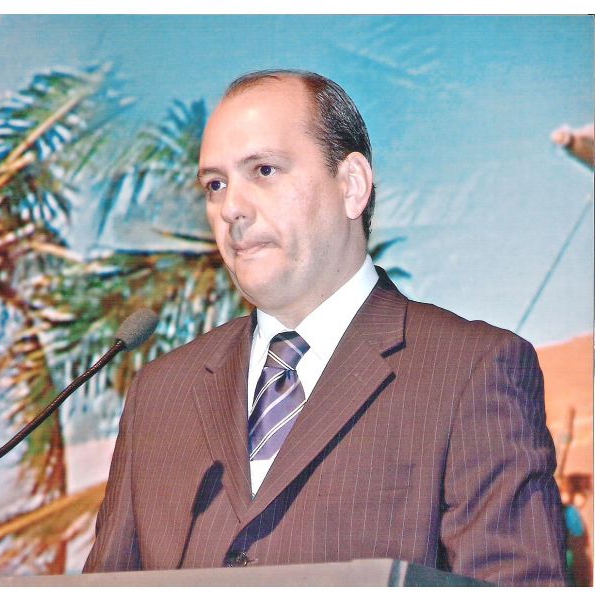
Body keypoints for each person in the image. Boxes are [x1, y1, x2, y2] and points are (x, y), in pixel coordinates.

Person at [83, 70, 567, 586]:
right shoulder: (161, 393)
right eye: (215, 185)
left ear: (352, 185)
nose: (232, 209)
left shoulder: (469, 370)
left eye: (264, 170)